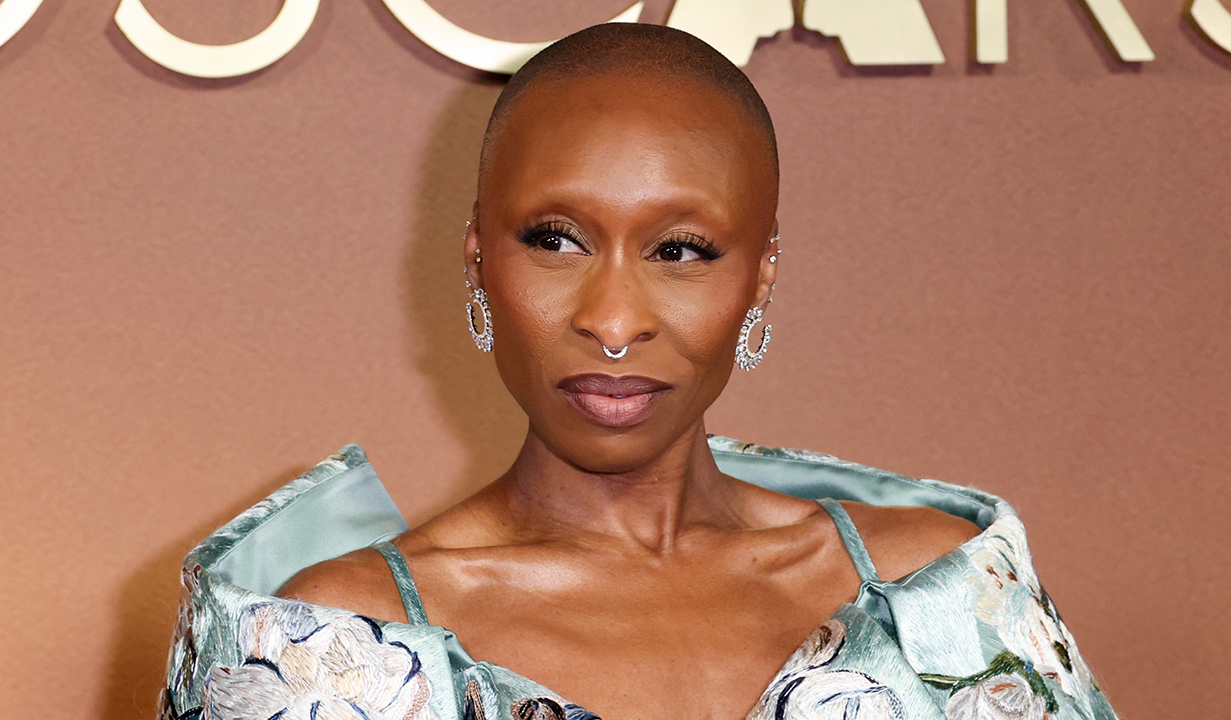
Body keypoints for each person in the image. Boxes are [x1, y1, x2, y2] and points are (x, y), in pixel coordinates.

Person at [159, 23, 1117, 720]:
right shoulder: (330, 638)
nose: (613, 322)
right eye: (557, 240)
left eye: (683, 252)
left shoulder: (937, 588)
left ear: (760, 274)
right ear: (477, 260)